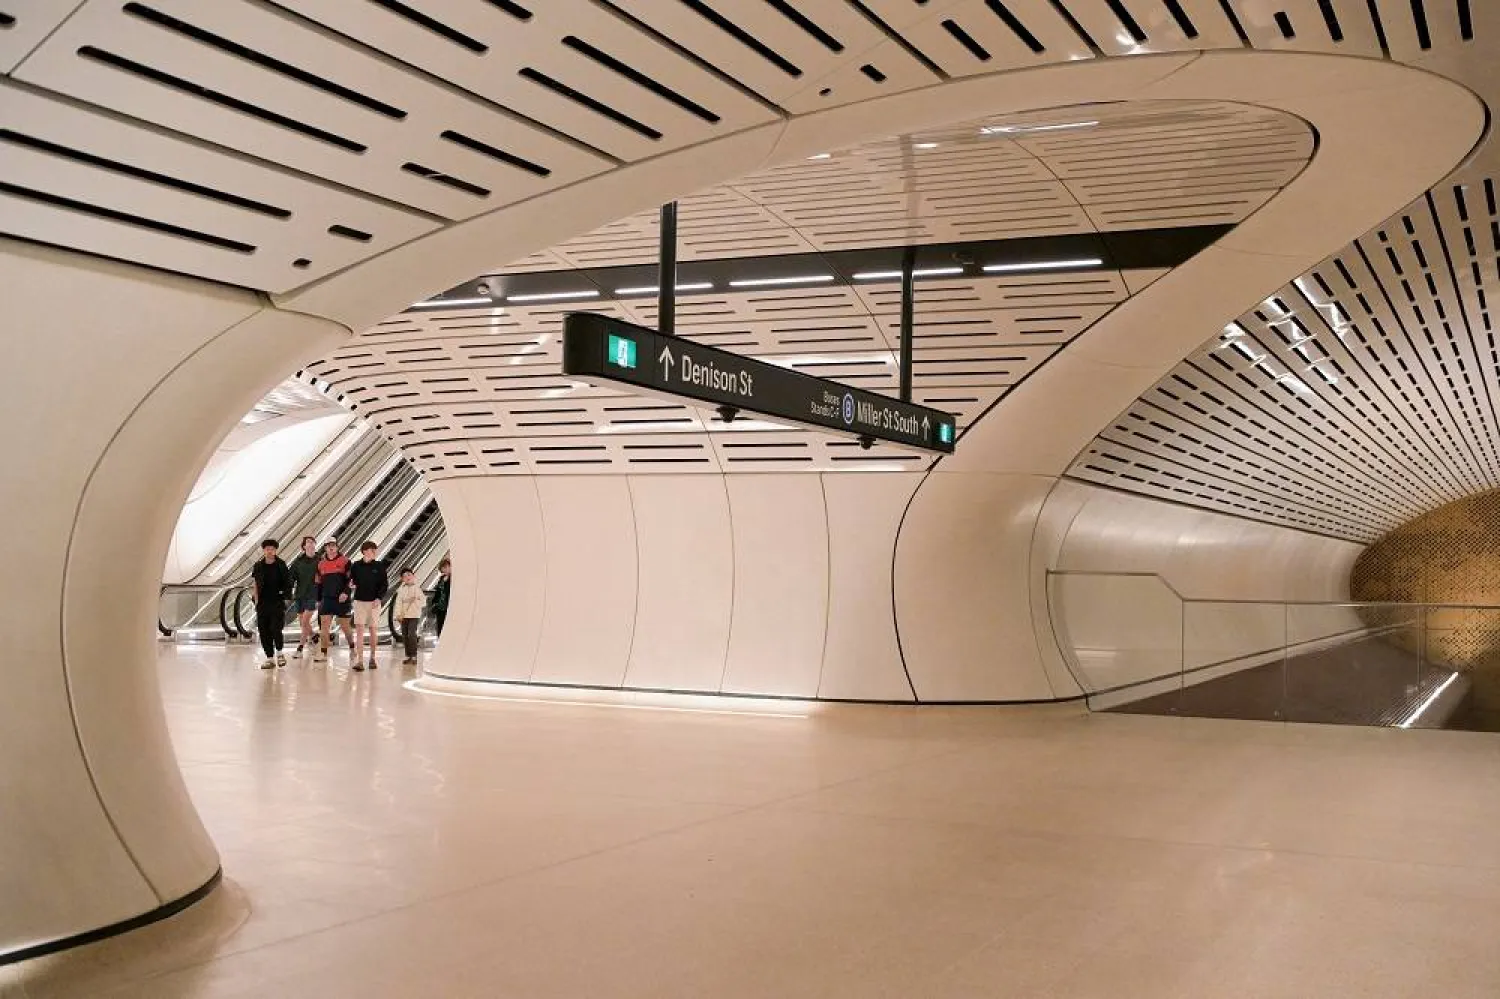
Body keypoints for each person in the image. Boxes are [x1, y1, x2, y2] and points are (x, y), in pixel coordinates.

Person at [250, 539, 291, 670]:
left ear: (275, 550)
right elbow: (255, 583)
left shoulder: (281, 564)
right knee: (263, 630)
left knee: (275, 628)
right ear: (264, 550)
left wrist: (286, 599)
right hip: (262, 602)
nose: (270, 551)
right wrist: (256, 600)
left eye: (272, 549)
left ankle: (279, 653)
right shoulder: (258, 566)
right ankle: (269, 658)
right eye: (267, 549)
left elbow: (288, 583)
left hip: (277, 601)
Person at [315, 540, 356, 667]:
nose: (331, 548)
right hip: (326, 599)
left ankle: (352, 648)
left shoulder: (345, 561)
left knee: (345, 627)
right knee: (324, 627)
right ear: (325, 549)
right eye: (328, 546)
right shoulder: (321, 564)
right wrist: (318, 599)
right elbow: (318, 583)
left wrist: (346, 592)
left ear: (337, 547)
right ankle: (324, 653)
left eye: (333, 546)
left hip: (342, 599)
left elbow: (351, 579)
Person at [349, 541, 387, 671]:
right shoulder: (356, 565)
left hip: (374, 602)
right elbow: (352, 580)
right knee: (359, 630)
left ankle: (372, 658)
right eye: (372, 550)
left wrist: (379, 598)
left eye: (375, 550)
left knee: (373, 630)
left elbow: (384, 584)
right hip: (359, 601)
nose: (375, 552)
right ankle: (360, 661)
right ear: (365, 551)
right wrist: (351, 584)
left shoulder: (379, 565)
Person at [288, 536, 320, 658]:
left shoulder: (320, 560)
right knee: (302, 623)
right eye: (308, 542)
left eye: (313, 542)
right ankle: (313, 636)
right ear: (304, 546)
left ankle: (300, 648)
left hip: (313, 594)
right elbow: (291, 577)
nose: (311, 544)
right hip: (300, 594)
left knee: (305, 621)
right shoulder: (298, 561)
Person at [393, 567, 425, 666]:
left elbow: (423, 602)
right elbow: (398, 603)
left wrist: (416, 600)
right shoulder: (401, 590)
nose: (407, 577)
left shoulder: (417, 588)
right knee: (405, 635)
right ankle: (408, 655)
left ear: (413, 576)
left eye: (409, 575)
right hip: (403, 616)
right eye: (404, 576)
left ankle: (414, 655)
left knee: (411, 634)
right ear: (402, 579)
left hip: (414, 615)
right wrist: (397, 615)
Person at [430, 558, 452, 637]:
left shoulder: (454, 579)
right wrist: (434, 603)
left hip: (449, 607)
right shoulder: (441, 578)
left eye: (447, 567)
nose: (445, 569)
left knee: (448, 628)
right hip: (440, 607)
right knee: (440, 627)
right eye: (443, 568)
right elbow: (438, 592)